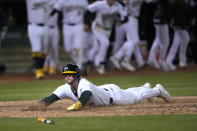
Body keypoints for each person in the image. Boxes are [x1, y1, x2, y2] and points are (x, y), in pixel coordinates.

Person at [35, 64, 170, 111]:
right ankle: (144, 87)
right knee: (130, 92)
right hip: (105, 89)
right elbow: (51, 98)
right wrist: (39, 105)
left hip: (114, 97)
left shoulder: (84, 83)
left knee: (135, 98)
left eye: (70, 74)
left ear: (76, 75)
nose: (67, 77)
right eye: (65, 75)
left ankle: (158, 90)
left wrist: (78, 105)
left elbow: (85, 95)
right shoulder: (64, 88)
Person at [83, 0, 127, 74]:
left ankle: (88, 62)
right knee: (105, 43)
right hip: (98, 28)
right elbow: (87, 11)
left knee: (96, 47)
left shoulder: (117, 6)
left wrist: (121, 21)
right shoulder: (100, 4)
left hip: (108, 30)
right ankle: (101, 64)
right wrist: (86, 23)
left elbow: (125, 17)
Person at [26, 0, 50, 79]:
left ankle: (41, 68)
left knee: (44, 50)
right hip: (33, 26)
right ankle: (38, 71)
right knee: (36, 48)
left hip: (46, 26)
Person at [147, 0, 173, 71]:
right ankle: (161, 60)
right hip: (161, 18)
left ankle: (152, 58)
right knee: (165, 42)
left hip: (161, 18)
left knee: (158, 40)